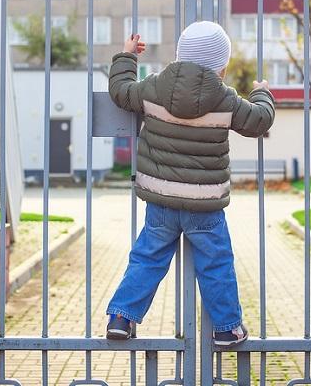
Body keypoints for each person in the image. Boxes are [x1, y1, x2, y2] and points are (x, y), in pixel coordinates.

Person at [105, 21, 275, 347]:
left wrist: (126, 56)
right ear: (222, 66)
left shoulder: (153, 87)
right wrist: (261, 92)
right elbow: (258, 121)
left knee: (147, 258)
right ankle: (226, 328)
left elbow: (121, 91)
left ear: (179, 55)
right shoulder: (226, 99)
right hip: (204, 204)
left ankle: (122, 317)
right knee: (215, 262)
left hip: (161, 198)